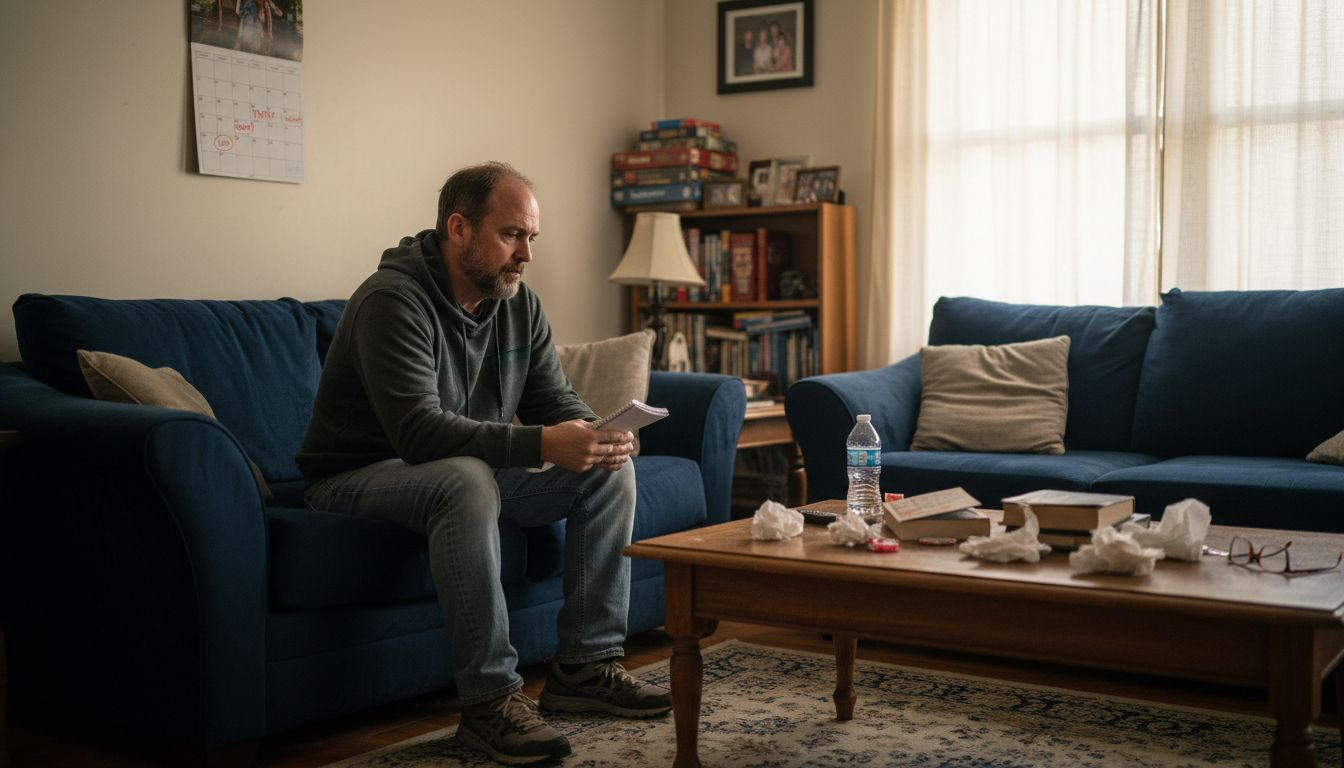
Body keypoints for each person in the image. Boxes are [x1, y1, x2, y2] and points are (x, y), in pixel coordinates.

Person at [297, 162, 671, 765]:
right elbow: (418, 433)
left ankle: (585, 668)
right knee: (464, 478)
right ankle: (489, 703)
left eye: (531, 237)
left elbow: (553, 399)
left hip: (452, 470)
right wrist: (543, 444)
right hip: (353, 477)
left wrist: (599, 435)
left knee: (608, 473)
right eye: (511, 235)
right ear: (459, 228)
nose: (526, 254)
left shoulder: (518, 305)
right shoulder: (391, 301)